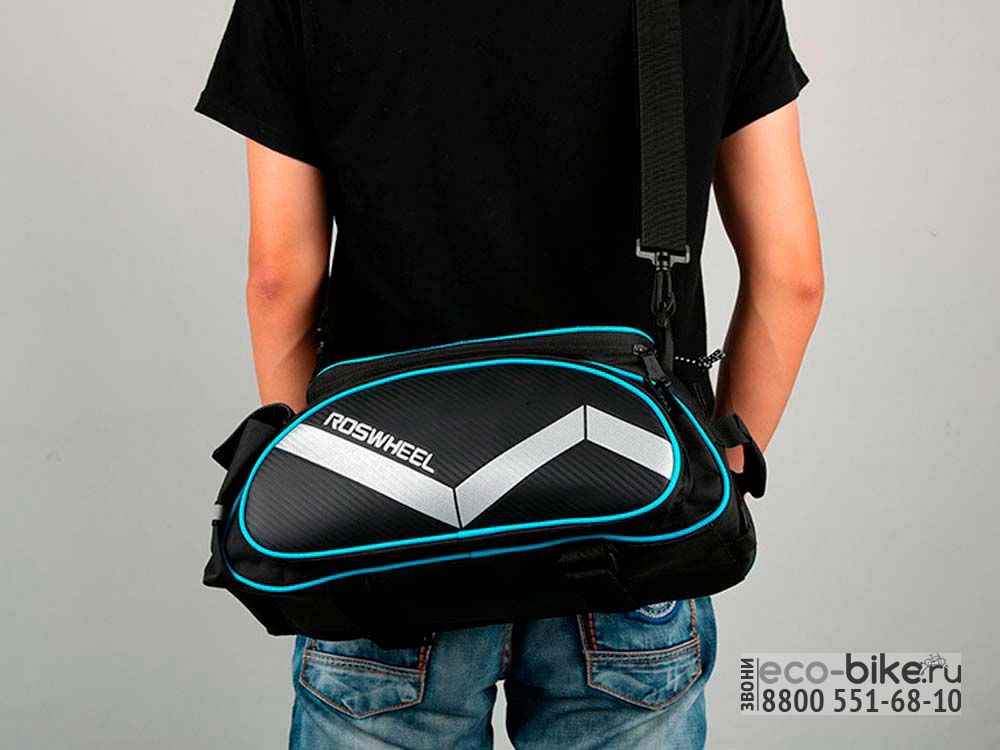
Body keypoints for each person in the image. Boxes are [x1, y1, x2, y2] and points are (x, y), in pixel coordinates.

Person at [195, 0, 822, 747]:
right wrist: (714, 480)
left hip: (390, 535)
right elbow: (792, 278)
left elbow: (278, 279)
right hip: (629, 521)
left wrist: (323, 488)